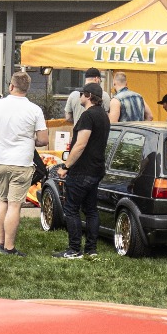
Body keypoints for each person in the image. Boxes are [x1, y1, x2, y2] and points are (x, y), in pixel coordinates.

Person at [0, 71, 46, 256]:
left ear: (11, 86)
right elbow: (43, 139)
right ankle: (9, 247)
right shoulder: (34, 110)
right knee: (15, 205)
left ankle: (1, 242)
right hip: (22, 162)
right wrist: (30, 140)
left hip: (0, 161)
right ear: (28, 88)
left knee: (3, 200)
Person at [53, 82, 110, 259]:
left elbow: (80, 145)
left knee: (71, 209)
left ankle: (74, 249)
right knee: (91, 210)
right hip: (96, 169)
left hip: (82, 170)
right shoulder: (103, 115)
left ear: (89, 96)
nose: (80, 97)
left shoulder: (88, 116)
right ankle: (91, 249)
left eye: (82, 94)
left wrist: (65, 166)